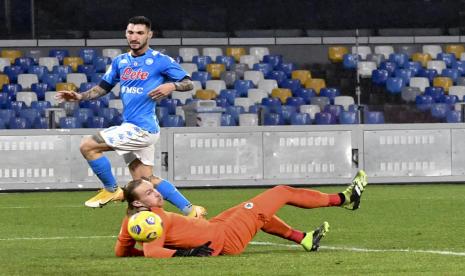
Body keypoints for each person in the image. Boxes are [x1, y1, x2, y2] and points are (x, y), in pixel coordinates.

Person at [55, 16, 205, 218]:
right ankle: (191, 210)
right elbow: (103, 88)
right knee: (145, 181)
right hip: (134, 126)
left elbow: (188, 83)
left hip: (142, 128)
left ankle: (111, 189)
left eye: (140, 33)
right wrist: (80, 96)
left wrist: (172, 85)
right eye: (130, 32)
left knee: (88, 145)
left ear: (149, 35)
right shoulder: (120, 61)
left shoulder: (160, 61)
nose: (134, 37)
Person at [115, 170, 368, 258]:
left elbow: (121, 251)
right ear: (138, 204)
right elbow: (153, 251)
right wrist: (186, 252)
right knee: (281, 192)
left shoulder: (133, 222)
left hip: (216, 228)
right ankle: (344, 199)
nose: (156, 193)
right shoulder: (152, 220)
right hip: (225, 238)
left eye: (153, 189)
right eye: (149, 193)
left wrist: (133, 251)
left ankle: (304, 238)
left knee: (256, 210)